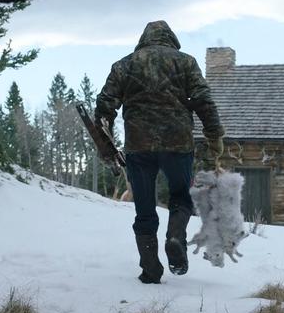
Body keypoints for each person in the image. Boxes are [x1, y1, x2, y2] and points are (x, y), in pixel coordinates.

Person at [95, 20, 224, 284]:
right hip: (177, 144)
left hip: (138, 146)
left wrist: (103, 141)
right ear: (171, 39)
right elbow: (203, 100)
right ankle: (175, 237)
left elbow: (105, 105)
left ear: (144, 39)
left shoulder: (124, 65)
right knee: (181, 197)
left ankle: (150, 269)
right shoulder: (185, 62)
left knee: (144, 209)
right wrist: (214, 134)